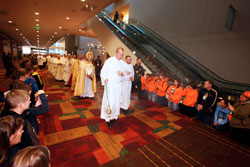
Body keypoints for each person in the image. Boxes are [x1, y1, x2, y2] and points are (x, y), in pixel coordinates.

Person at [100, 47, 125, 128]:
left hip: (118, 85)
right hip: (110, 84)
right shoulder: (109, 61)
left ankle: (114, 116)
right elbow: (103, 72)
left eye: (122, 55)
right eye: (120, 54)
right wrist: (105, 78)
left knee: (117, 101)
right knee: (111, 102)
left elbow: (124, 74)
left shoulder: (122, 63)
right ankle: (107, 119)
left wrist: (122, 74)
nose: (121, 56)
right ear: (116, 53)